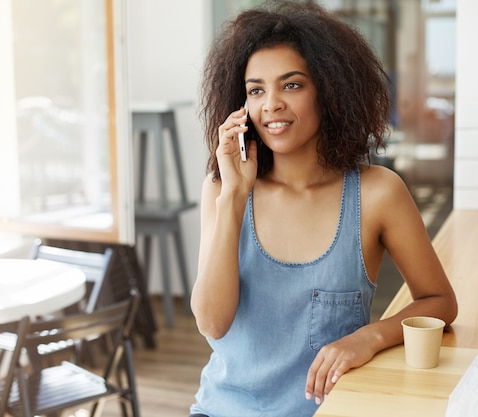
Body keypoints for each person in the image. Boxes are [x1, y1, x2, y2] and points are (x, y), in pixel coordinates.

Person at [188, 1, 458, 416]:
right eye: (256, 89)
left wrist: (369, 336)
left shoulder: (377, 193)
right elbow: (212, 323)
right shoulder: (223, 190)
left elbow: (439, 300)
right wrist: (234, 197)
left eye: (292, 85)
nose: (271, 104)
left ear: (328, 89)